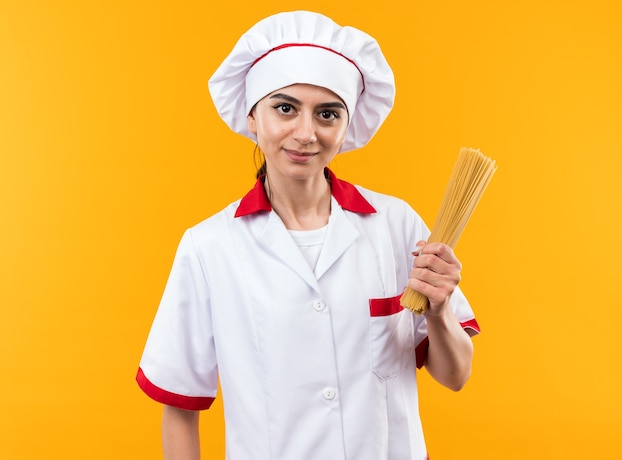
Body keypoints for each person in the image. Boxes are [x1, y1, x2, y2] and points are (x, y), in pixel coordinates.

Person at [136, 10, 480, 460]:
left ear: (346, 126)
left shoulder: (398, 225)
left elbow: (455, 376)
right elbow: (180, 406)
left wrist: (438, 311)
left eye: (327, 114)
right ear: (253, 116)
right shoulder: (208, 247)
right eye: (285, 108)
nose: (306, 133)